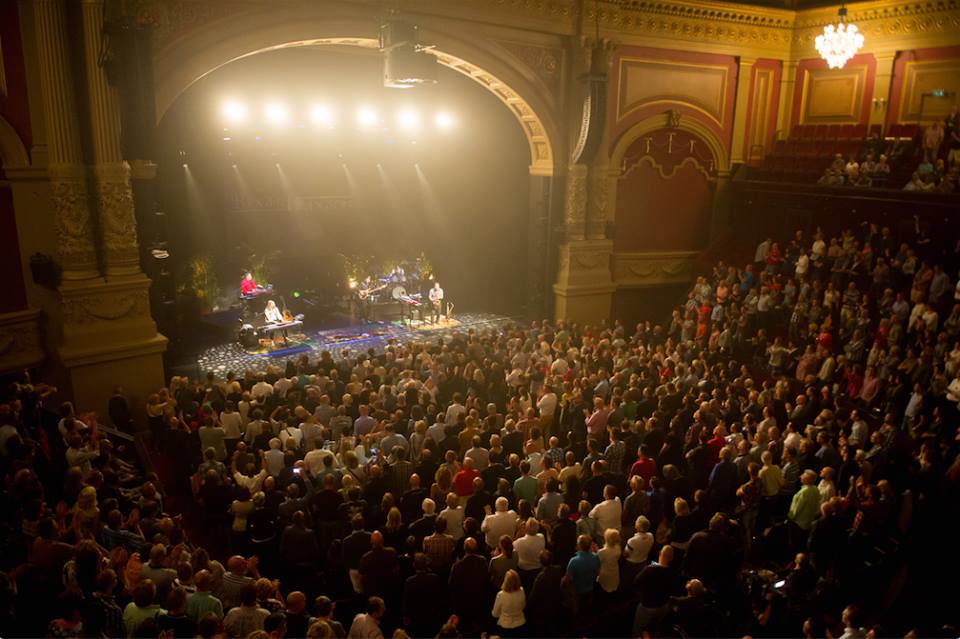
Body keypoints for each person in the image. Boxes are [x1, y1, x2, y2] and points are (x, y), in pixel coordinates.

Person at [491, 569, 526, 635]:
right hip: (520, 624)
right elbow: (523, 606)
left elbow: (495, 614)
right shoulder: (522, 590)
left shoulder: (501, 595)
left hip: (505, 626)